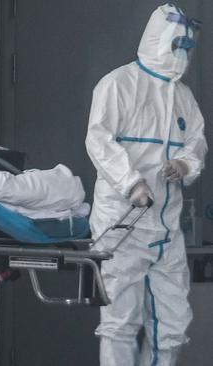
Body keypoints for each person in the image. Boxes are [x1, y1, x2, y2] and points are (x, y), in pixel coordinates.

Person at [85, 4, 207, 366]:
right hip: (123, 224)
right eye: (177, 45)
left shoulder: (182, 96)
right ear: (159, 39)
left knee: (172, 323)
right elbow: (99, 140)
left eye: (187, 47)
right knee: (120, 322)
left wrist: (185, 163)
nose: (182, 54)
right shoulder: (118, 84)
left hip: (167, 227)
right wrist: (131, 183)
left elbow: (196, 141)